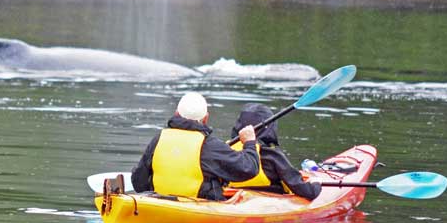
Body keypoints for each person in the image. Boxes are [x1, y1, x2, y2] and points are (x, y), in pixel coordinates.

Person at [131, 92, 260, 201]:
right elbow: (249, 168)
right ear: (205, 118)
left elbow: (138, 181)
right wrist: (249, 142)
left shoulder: (158, 139)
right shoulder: (210, 145)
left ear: (176, 113)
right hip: (198, 208)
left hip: (158, 204)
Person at [228, 103, 321, 200]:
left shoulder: (225, 150)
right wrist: (316, 184)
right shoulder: (272, 155)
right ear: (269, 128)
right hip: (266, 203)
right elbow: (308, 192)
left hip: (229, 200)